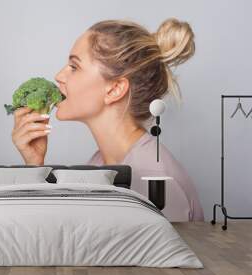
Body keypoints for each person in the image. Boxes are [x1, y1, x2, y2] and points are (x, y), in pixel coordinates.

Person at [11, 18, 204, 221]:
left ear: (114, 89)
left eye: (74, 66)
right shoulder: (100, 163)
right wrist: (35, 165)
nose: (59, 75)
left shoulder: (154, 181)